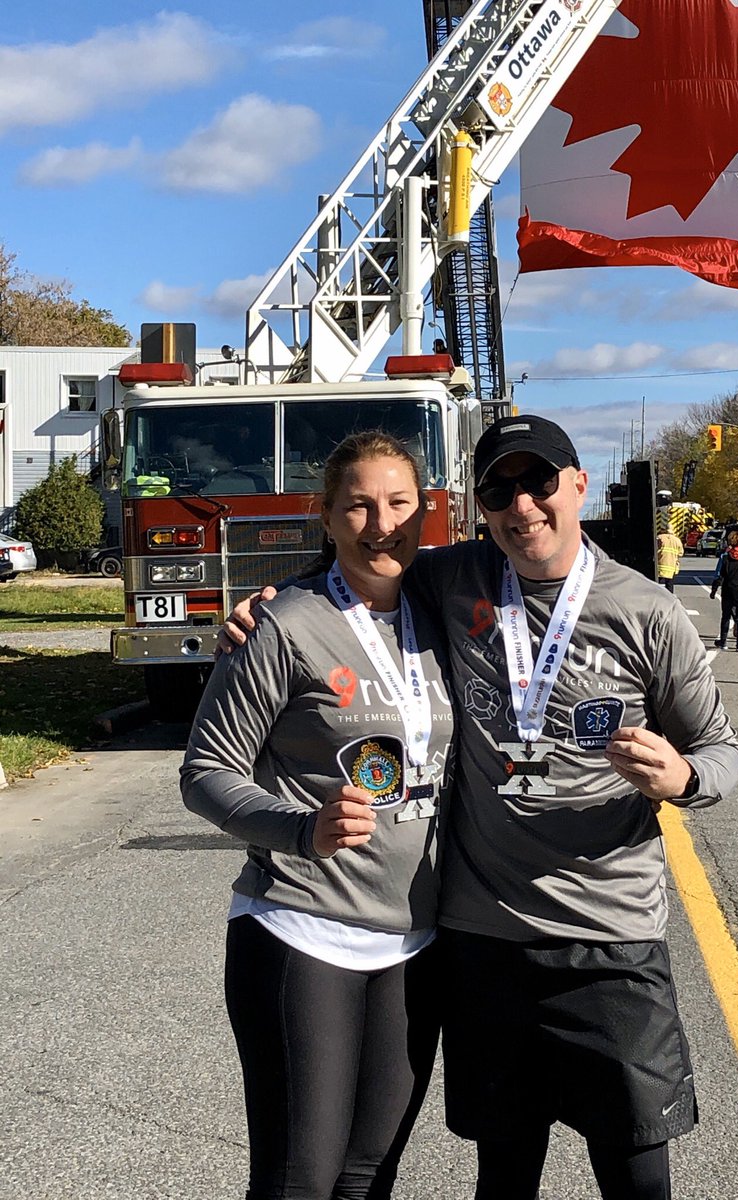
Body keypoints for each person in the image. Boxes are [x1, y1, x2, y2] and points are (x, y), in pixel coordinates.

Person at [219, 414, 738, 1200]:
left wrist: (683, 777)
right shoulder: (454, 577)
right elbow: (361, 567)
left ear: (578, 486)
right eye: (499, 488)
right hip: (478, 941)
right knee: (502, 1172)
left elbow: (722, 753)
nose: (522, 505)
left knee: (636, 1175)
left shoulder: (648, 612)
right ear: (479, 504)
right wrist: (268, 604)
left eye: (539, 482)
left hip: (608, 937)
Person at [181, 431, 455, 1200]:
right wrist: (303, 828)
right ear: (327, 517)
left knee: (370, 1174)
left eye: (399, 502)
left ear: (426, 510)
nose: (381, 522)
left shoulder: (441, 613)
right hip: (304, 929)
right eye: (358, 506)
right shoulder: (283, 625)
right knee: (299, 1177)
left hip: (415, 940)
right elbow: (205, 774)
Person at [710, 529, 738, 651]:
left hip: (728, 589)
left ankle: (723, 642)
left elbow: (718, 574)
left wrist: (714, 590)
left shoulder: (724, 557)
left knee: (725, 616)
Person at [656, 522, 683, 592]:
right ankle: (669, 600)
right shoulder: (677, 540)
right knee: (669, 586)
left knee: (656, 585)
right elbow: (680, 553)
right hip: (671, 567)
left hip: (660, 566)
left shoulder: (659, 537)